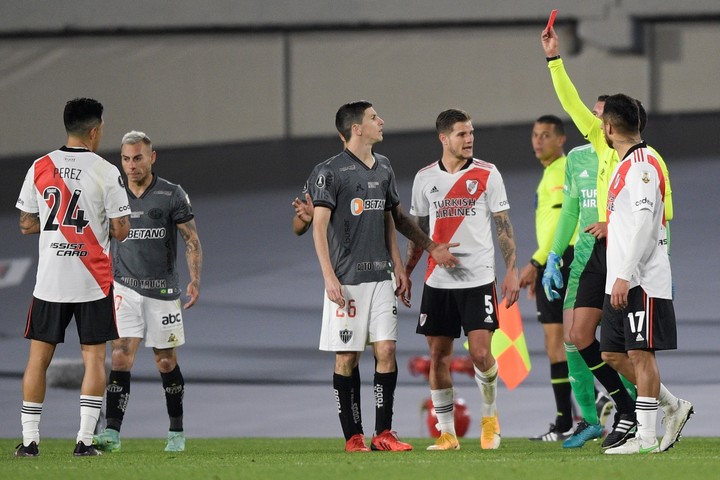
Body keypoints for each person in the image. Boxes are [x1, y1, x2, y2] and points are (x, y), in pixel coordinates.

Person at [541, 26, 692, 452]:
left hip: (630, 257)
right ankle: (637, 406)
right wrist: (554, 61)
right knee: (583, 336)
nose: (593, 121)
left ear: (612, 124)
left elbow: (659, 218)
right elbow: (569, 101)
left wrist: (653, 254)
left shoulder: (641, 162)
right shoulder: (599, 146)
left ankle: (634, 417)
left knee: (634, 347)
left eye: (600, 116)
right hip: (601, 254)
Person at [309, 100, 457, 452]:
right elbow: (318, 227)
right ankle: (353, 436)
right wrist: (328, 277)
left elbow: (393, 218)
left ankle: (383, 434)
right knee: (347, 357)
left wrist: (400, 265)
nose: (381, 121)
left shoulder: (384, 167)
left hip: (380, 278)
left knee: (387, 350)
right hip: (345, 281)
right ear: (356, 128)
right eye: (374, 118)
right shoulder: (328, 172)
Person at [14, 98, 130, 457]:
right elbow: (121, 229)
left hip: (50, 279)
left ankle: (30, 441)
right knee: (94, 359)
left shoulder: (40, 166)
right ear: (94, 131)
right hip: (92, 280)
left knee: (38, 359)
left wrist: (56, 230)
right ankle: (84, 441)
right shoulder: (106, 171)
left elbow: (26, 223)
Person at [405, 108, 520, 451]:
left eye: (471, 133)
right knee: (438, 354)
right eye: (461, 134)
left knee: (481, 353)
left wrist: (511, 269)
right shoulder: (425, 179)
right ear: (443, 138)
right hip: (438, 280)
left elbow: (503, 225)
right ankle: (447, 433)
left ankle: (490, 419)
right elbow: (419, 233)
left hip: (478, 278)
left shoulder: (487, 173)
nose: (469, 139)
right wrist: (406, 272)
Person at [92, 131, 202, 453]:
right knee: (121, 356)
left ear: (151, 157)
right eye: (125, 159)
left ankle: (176, 432)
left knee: (165, 362)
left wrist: (195, 279)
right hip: (124, 288)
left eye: (137, 158)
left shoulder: (171, 194)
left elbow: (191, 239)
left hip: (163, 291)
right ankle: (111, 432)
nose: (131, 165)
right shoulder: (113, 194)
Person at [599, 94, 691, 454]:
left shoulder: (642, 165)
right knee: (612, 353)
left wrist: (624, 273)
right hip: (620, 277)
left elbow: (644, 225)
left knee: (641, 354)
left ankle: (645, 436)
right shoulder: (626, 164)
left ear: (609, 128)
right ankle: (672, 406)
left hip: (641, 278)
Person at [519, 115, 576, 442]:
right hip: (552, 263)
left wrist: (537, 262)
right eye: (535, 134)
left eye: (545, 135)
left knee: (571, 340)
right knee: (556, 343)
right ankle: (565, 421)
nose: (538, 141)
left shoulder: (563, 171)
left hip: (562, 259)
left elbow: (561, 226)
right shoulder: (548, 174)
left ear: (561, 139)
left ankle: (597, 399)